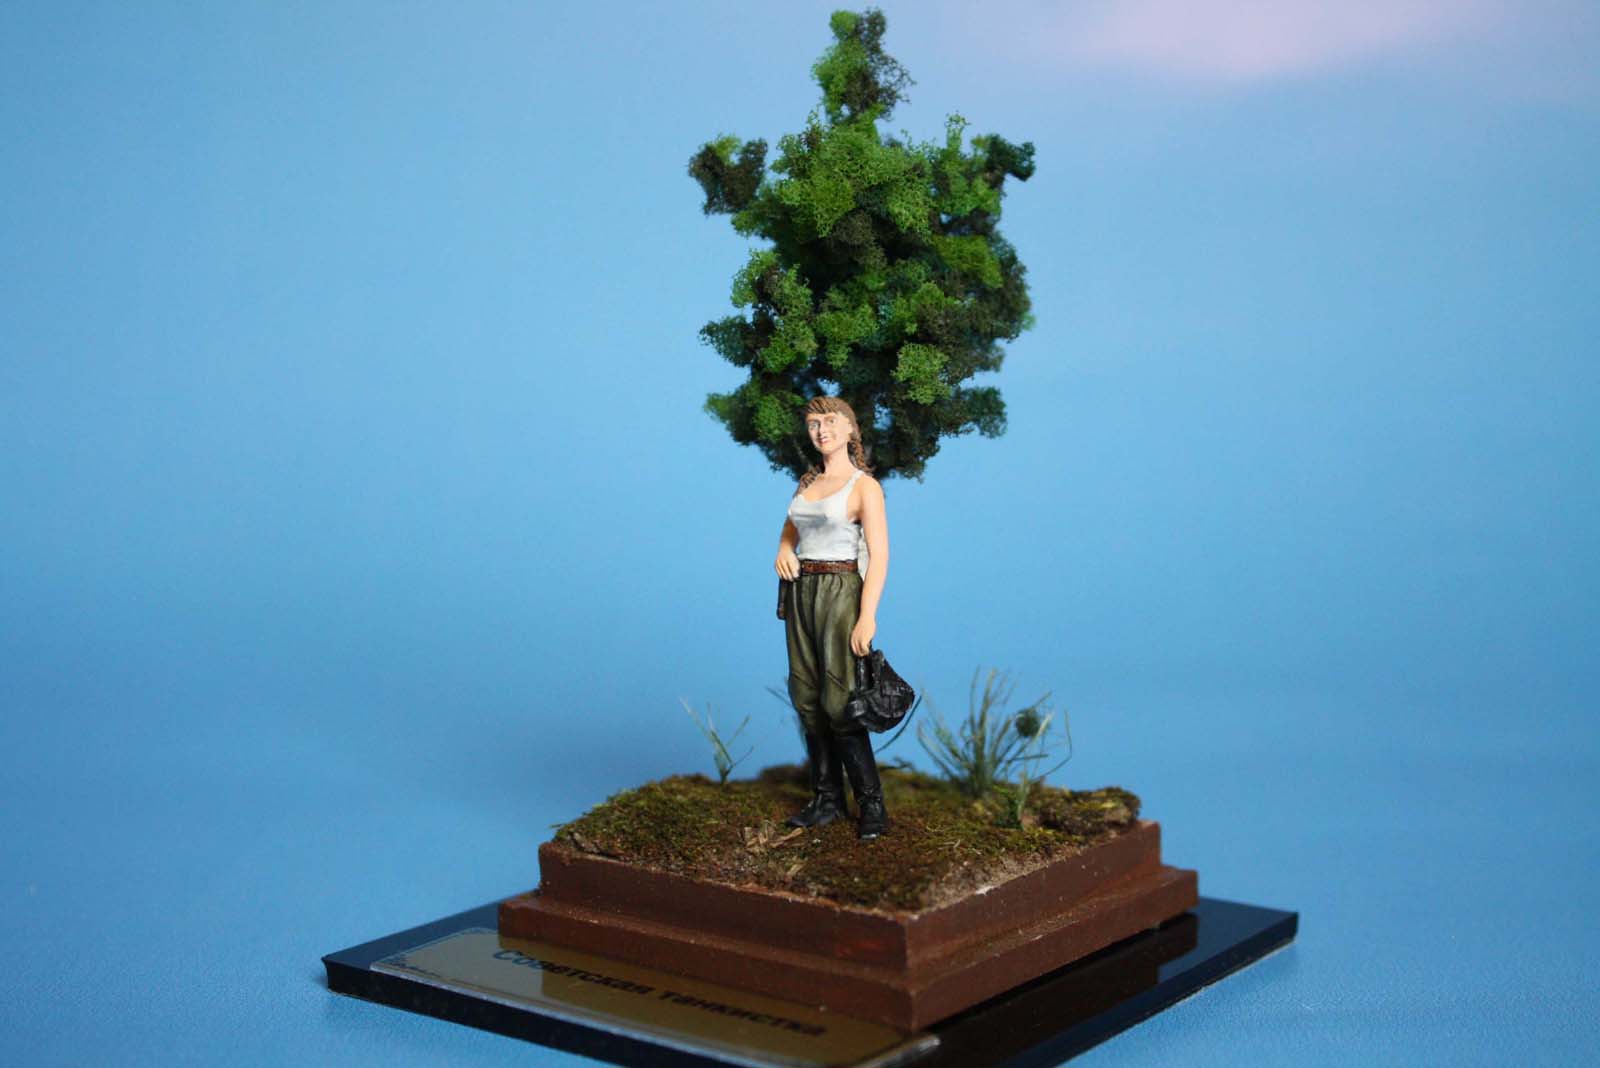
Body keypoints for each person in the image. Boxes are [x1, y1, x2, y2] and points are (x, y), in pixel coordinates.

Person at [775, 395, 890, 840]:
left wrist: (867, 615)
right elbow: (793, 526)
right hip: (801, 591)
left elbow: (879, 554)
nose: (821, 431)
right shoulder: (808, 484)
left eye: (829, 421)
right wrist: (784, 548)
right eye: (813, 424)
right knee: (806, 694)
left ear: (849, 429)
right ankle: (827, 800)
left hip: (841, 590)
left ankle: (872, 805)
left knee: (841, 700)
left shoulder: (864, 486)